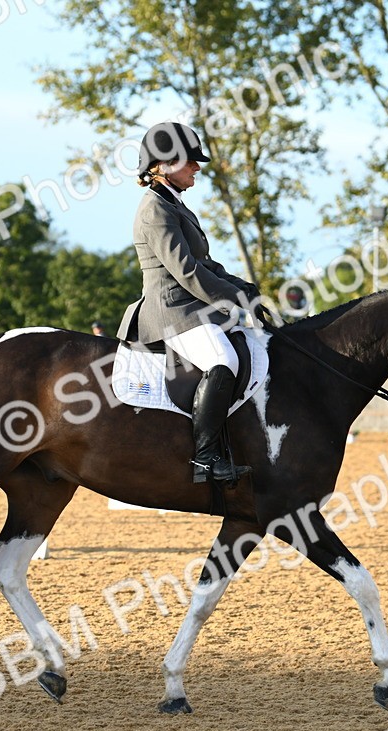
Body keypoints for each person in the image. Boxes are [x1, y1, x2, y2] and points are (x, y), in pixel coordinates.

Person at [117, 122, 262, 485]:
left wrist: (246, 289)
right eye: (189, 161)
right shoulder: (155, 210)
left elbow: (206, 265)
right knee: (223, 360)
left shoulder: (174, 203)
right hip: (171, 311)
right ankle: (206, 459)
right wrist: (235, 300)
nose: (197, 167)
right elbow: (186, 271)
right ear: (163, 165)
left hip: (193, 307)